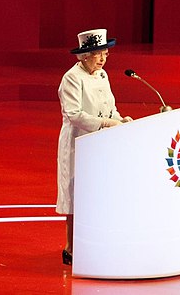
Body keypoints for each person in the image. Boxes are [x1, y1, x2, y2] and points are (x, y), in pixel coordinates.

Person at [57, 29, 132, 266]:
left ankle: (96, 241)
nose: (102, 59)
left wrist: (120, 119)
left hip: (102, 142)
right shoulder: (72, 77)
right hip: (79, 141)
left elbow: (110, 106)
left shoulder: (102, 75)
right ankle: (71, 247)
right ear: (84, 55)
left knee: (99, 191)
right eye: (98, 54)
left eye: (105, 54)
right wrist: (106, 123)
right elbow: (73, 114)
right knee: (75, 194)